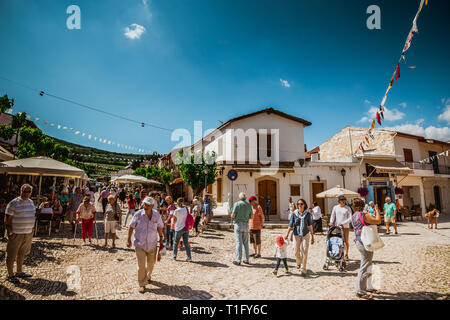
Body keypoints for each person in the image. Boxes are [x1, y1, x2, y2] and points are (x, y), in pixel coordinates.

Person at [127, 196, 165, 293]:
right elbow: (131, 227)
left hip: (152, 244)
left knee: (151, 264)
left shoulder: (157, 215)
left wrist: (161, 237)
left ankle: (147, 276)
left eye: (148, 205)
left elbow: (160, 227)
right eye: (145, 204)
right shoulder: (138, 214)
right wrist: (128, 240)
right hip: (140, 244)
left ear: (152, 206)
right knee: (141, 265)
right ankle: (142, 284)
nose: (146, 206)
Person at [4, 184, 36, 284]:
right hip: (16, 233)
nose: (26, 193)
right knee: (11, 255)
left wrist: (32, 227)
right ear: (20, 191)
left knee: (22, 254)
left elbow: (32, 214)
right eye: (24, 191)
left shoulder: (31, 202)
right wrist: (9, 231)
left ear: (31, 193)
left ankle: (19, 271)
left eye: (28, 192)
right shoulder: (14, 203)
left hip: (27, 233)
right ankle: (10, 275)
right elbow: (7, 218)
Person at [351, 198, 382, 299]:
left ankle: (368, 286)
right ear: (363, 205)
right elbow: (378, 220)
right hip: (365, 242)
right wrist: (377, 209)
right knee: (364, 266)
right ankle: (360, 290)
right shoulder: (363, 215)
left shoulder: (354, 215)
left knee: (368, 264)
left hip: (359, 241)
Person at [286, 199, 314, 275]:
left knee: (304, 251)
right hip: (296, 234)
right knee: (296, 251)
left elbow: (310, 226)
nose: (300, 205)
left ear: (304, 205)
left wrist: (312, 236)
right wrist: (287, 234)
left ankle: (303, 268)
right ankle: (298, 263)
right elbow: (290, 225)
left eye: (301, 204)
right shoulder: (294, 214)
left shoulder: (307, 214)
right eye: (298, 204)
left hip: (305, 234)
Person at [231, 192, 253, 266]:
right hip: (246, 224)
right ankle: (246, 259)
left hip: (238, 224)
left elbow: (233, 215)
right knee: (245, 243)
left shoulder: (236, 204)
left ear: (239, 198)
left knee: (239, 242)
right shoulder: (249, 205)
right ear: (245, 198)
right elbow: (251, 217)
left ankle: (238, 260)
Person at [329, 195, 352, 260]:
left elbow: (350, 218)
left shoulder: (348, 208)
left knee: (345, 241)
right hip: (337, 227)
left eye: (344, 200)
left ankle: (346, 254)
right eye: (341, 200)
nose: (343, 201)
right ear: (339, 201)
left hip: (345, 227)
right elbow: (332, 216)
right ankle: (338, 253)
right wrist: (331, 222)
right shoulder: (335, 207)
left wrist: (343, 223)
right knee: (337, 240)